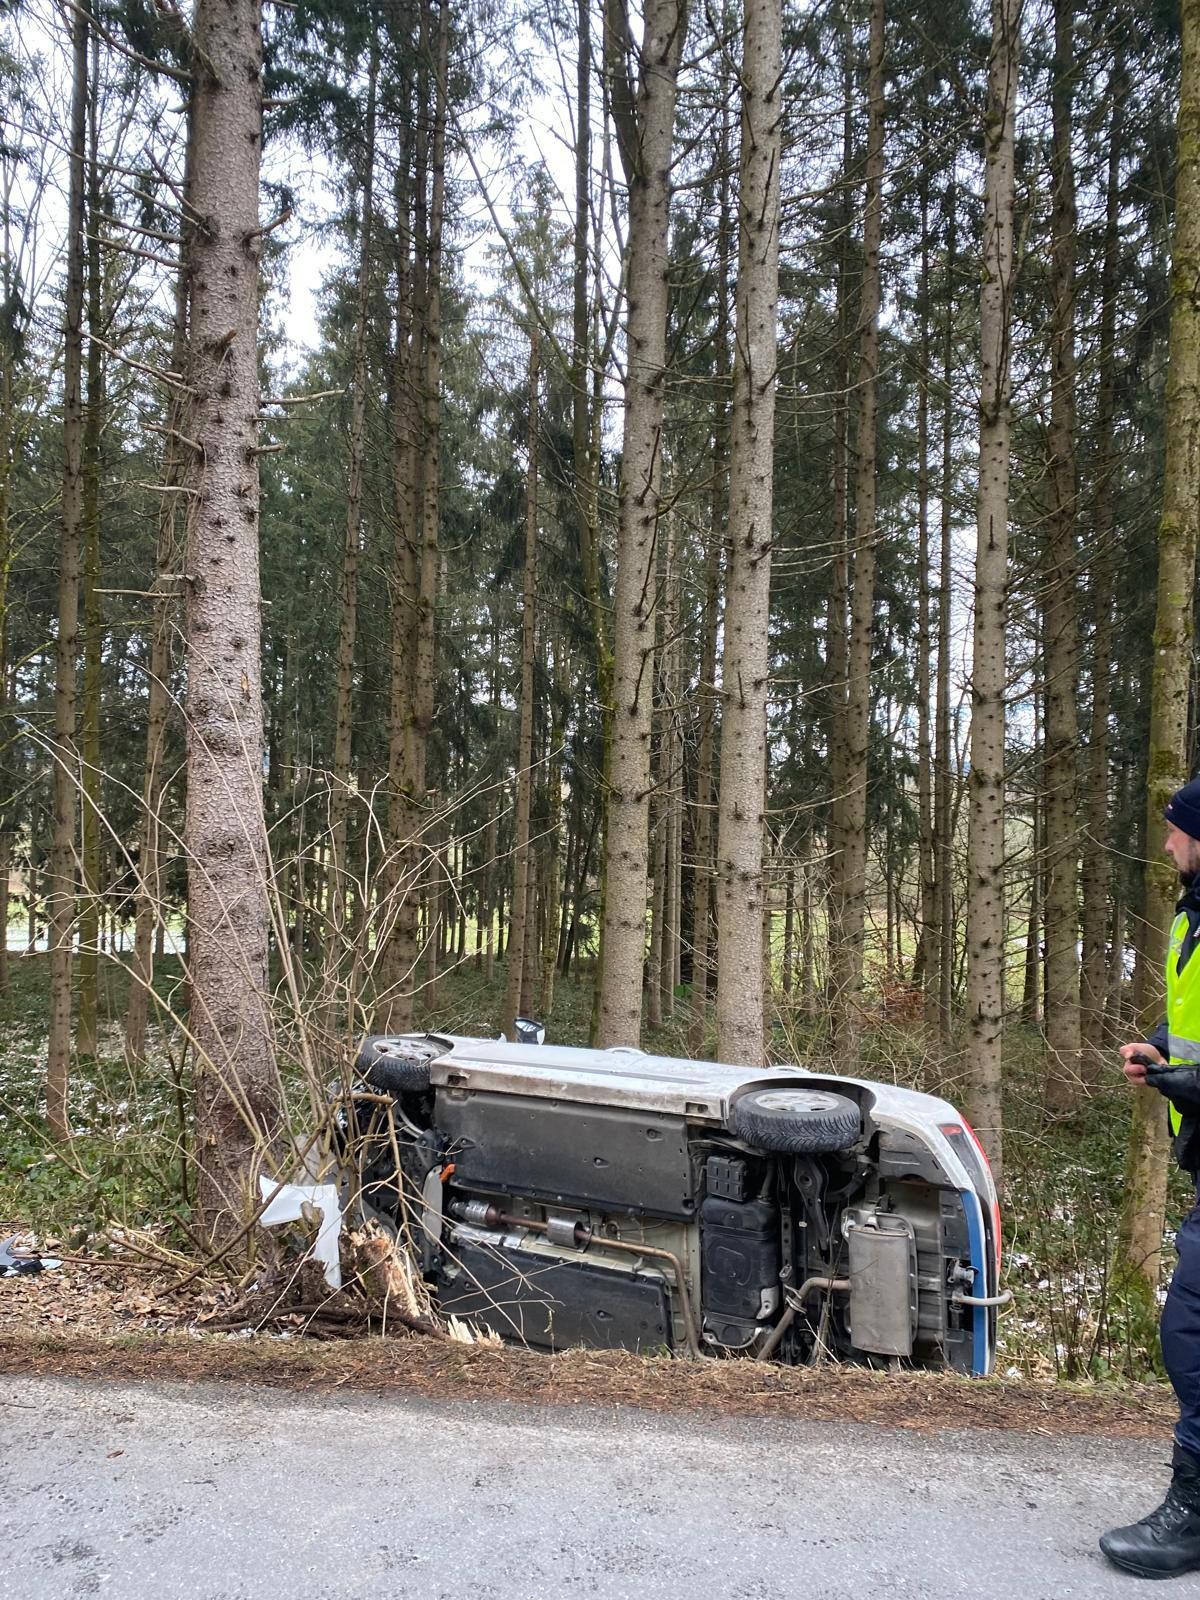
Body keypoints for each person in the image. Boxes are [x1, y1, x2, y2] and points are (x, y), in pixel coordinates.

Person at [1102, 777, 1200, 1579]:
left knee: (1191, 1340)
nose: (1168, 844)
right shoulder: (1192, 918)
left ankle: (1192, 1518)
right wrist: (1164, 1051)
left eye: (1178, 831)